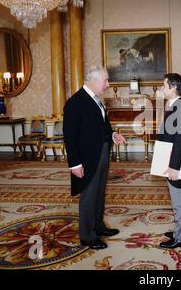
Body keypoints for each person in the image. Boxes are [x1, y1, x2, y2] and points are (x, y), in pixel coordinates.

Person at [63, 66, 127, 250]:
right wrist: (74, 164)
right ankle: (87, 236)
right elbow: (70, 136)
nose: (108, 84)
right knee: (89, 196)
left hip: (101, 154)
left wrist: (113, 135)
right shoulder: (75, 102)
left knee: (99, 193)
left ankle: (98, 227)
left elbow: (102, 127)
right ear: (92, 80)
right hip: (87, 158)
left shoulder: (96, 100)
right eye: (105, 81)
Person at [158, 73, 181, 249]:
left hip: (177, 161)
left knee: (179, 199)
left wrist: (174, 166)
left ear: (172, 87)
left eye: (164, 85)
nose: (162, 88)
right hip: (175, 158)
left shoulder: (178, 108)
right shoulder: (175, 105)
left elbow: (179, 140)